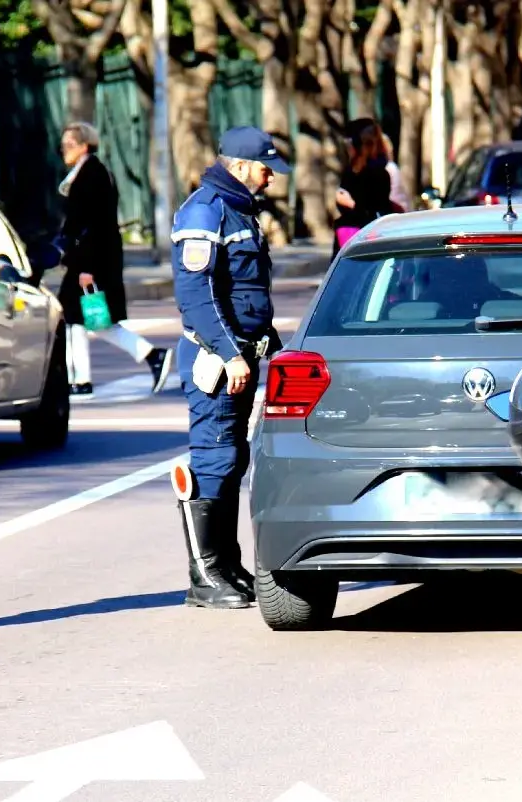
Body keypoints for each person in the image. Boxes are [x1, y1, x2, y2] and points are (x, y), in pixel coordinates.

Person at [169, 126, 289, 609]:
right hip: (218, 359)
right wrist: (229, 352)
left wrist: (270, 345)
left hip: (241, 354)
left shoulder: (239, 210)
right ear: (239, 166)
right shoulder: (204, 212)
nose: (271, 178)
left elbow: (248, 293)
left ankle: (226, 563)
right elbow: (198, 297)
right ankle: (204, 576)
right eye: (265, 168)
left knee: (232, 459)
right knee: (214, 459)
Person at [56, 121, 173, 395]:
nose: (64, 150)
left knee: (79, 317)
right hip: (90, 260)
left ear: (84, 145)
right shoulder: (88, 172)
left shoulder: (91, 175)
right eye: (62, 146)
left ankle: (81, 380)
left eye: (69, 145)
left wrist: (85, 267)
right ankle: (148, 356)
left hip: (89, 262)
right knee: (90, 319)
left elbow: (92, 226)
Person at [333, 118, 398, 254]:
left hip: (364, 236)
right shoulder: (350, 171)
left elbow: (374, 208)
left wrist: (350, 203)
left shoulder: (378, 172)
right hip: (349, 234)